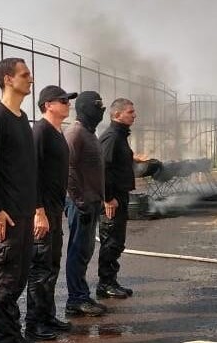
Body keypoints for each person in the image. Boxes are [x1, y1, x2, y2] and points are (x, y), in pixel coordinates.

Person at [0, 57, 37, 343]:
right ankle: (6, 337)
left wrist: (37, 209)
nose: (30, 79)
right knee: (4, 280)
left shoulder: (22, 118)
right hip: (7, 216)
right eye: (25, 74)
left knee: (18, 278)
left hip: (25, 213)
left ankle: (13, 333)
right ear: (8, 79)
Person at [25, 85, 76, 340]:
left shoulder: (56, 131)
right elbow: (31, 173)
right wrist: (38, 211)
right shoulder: (40, 131)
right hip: (43, 211)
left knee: (52, 266)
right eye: (63, 100)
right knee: (40, 268)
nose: (68, 104)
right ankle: (34, 324)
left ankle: (47, 315)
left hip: (56, 209)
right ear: (48, 105)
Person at [64, 90, 108, 316]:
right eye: (97, 105)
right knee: (77, 250)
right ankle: (76, 299)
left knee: (86, 249)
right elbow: (68, 169)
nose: (101, 110)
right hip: (79, 204)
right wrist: (79, 201)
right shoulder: (75, 133)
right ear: (84, 108)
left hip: (91, 202)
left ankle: (81, 295)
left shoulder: (90, 133)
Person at [97, 98, 138, 299]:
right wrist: (108, 198)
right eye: (130, 112)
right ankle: (105, 284)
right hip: (112, 199)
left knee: (116, 241)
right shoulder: (112, 136)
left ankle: (111, 280)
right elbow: (102, 168)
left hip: (119, 196)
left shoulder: (120, 136)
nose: (134, 115)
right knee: (111, 241)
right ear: (117, 115)